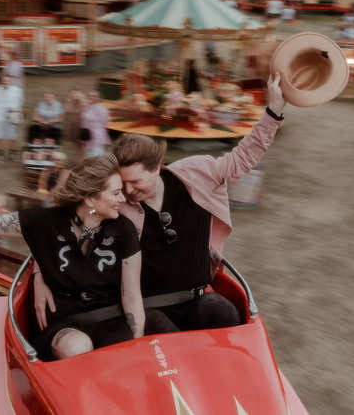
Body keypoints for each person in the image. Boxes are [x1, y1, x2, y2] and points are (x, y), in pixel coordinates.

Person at [34, 73, 286, 334]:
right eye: (123, 183)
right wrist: (40, 272)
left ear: (156, 167)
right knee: (165, 337)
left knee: (226, 314)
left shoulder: (196, 174)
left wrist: (274, 110)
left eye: (135, 182)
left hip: (197, 298)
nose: (128, 191)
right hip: (149, 307)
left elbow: (243, 156)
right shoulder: (119, 204)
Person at [0, 154, 147, 360]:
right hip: (65, 322)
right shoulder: (44, 222)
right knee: (77, 348)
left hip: (109, 317)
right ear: (90, 199)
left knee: (128, 356)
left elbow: (132, 295)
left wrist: (137, 339)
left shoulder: (123, 230)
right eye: (115, 193)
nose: (122, 199)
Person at [0, 74, 23, 162]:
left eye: (8, 81)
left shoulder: (17, 90)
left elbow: (20, 102)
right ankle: (0, 153)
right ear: (1, 81)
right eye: (4, 80)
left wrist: (16, 114)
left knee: (13, 137)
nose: (6, 82)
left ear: (11, 81)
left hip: (12, 117)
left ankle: (13, 153)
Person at [79, 90, 110, 158]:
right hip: (87, 134)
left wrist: (96, 129)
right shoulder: (86, 107)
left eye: (94, 96)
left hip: (97, 135)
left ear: (98, 98)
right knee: (89, 155)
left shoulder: (102, 109)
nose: (91, 97)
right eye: (90, 96)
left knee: (97, 155)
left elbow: (105, 122)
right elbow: (83, 120)